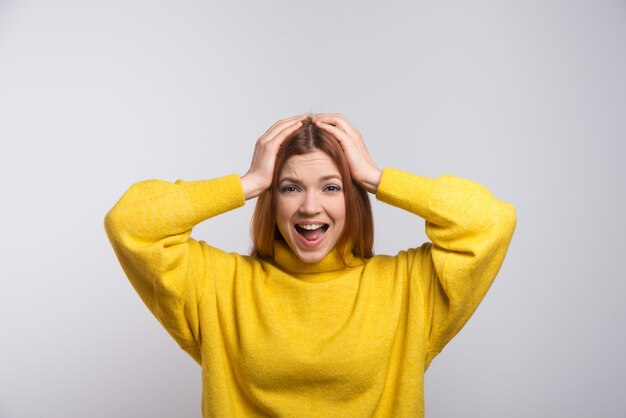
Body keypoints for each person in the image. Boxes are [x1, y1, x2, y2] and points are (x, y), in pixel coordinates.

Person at [104, 113, 516, 417]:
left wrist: (375, 178)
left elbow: (490, 221)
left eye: (332, 187)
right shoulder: (219, 285)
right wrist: (248, 182)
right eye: (290, 188)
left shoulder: (407, 287)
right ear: (272, 199)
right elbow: (131, 222)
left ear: (353, 199)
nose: (310, 207)